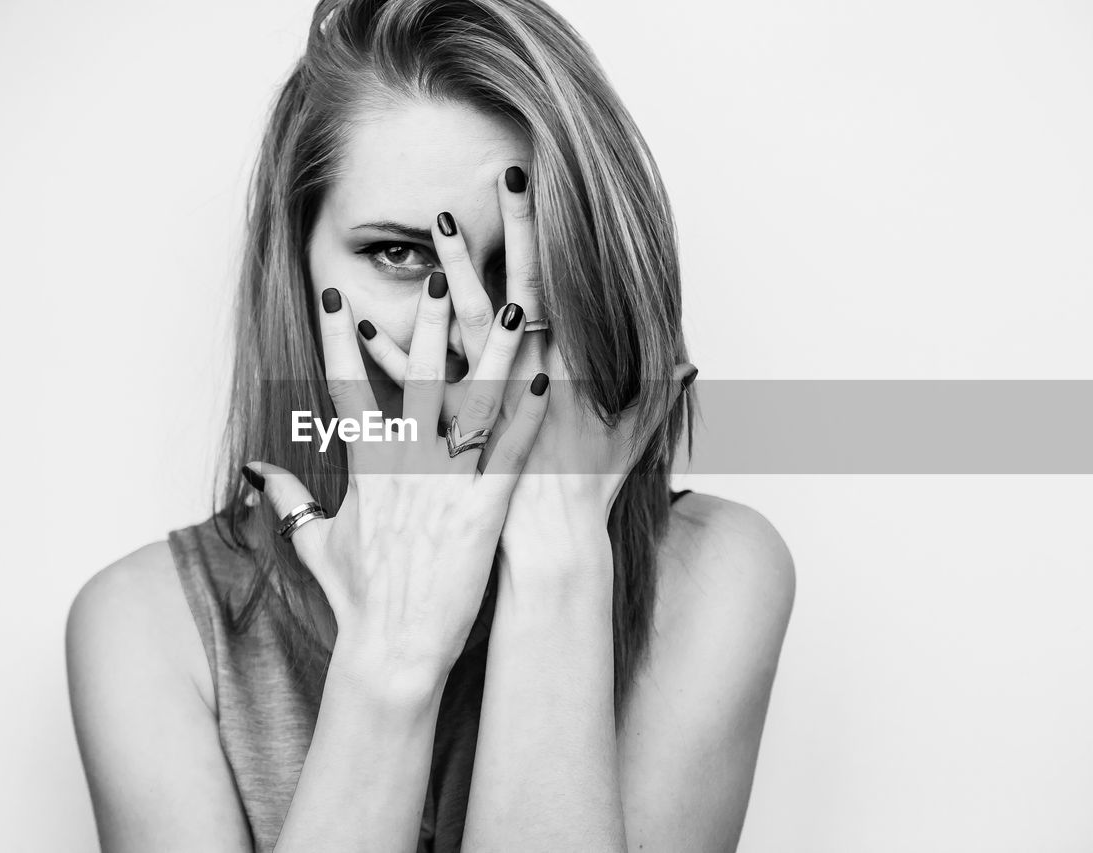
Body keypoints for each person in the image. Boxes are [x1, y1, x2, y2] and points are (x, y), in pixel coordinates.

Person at [65, 0, 796, 850]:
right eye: (402, 254)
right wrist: (393, 657)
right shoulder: (148, 631)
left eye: (528, 262)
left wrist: (556, 559)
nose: (471, 327)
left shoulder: (711, 574)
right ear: (297, 263)